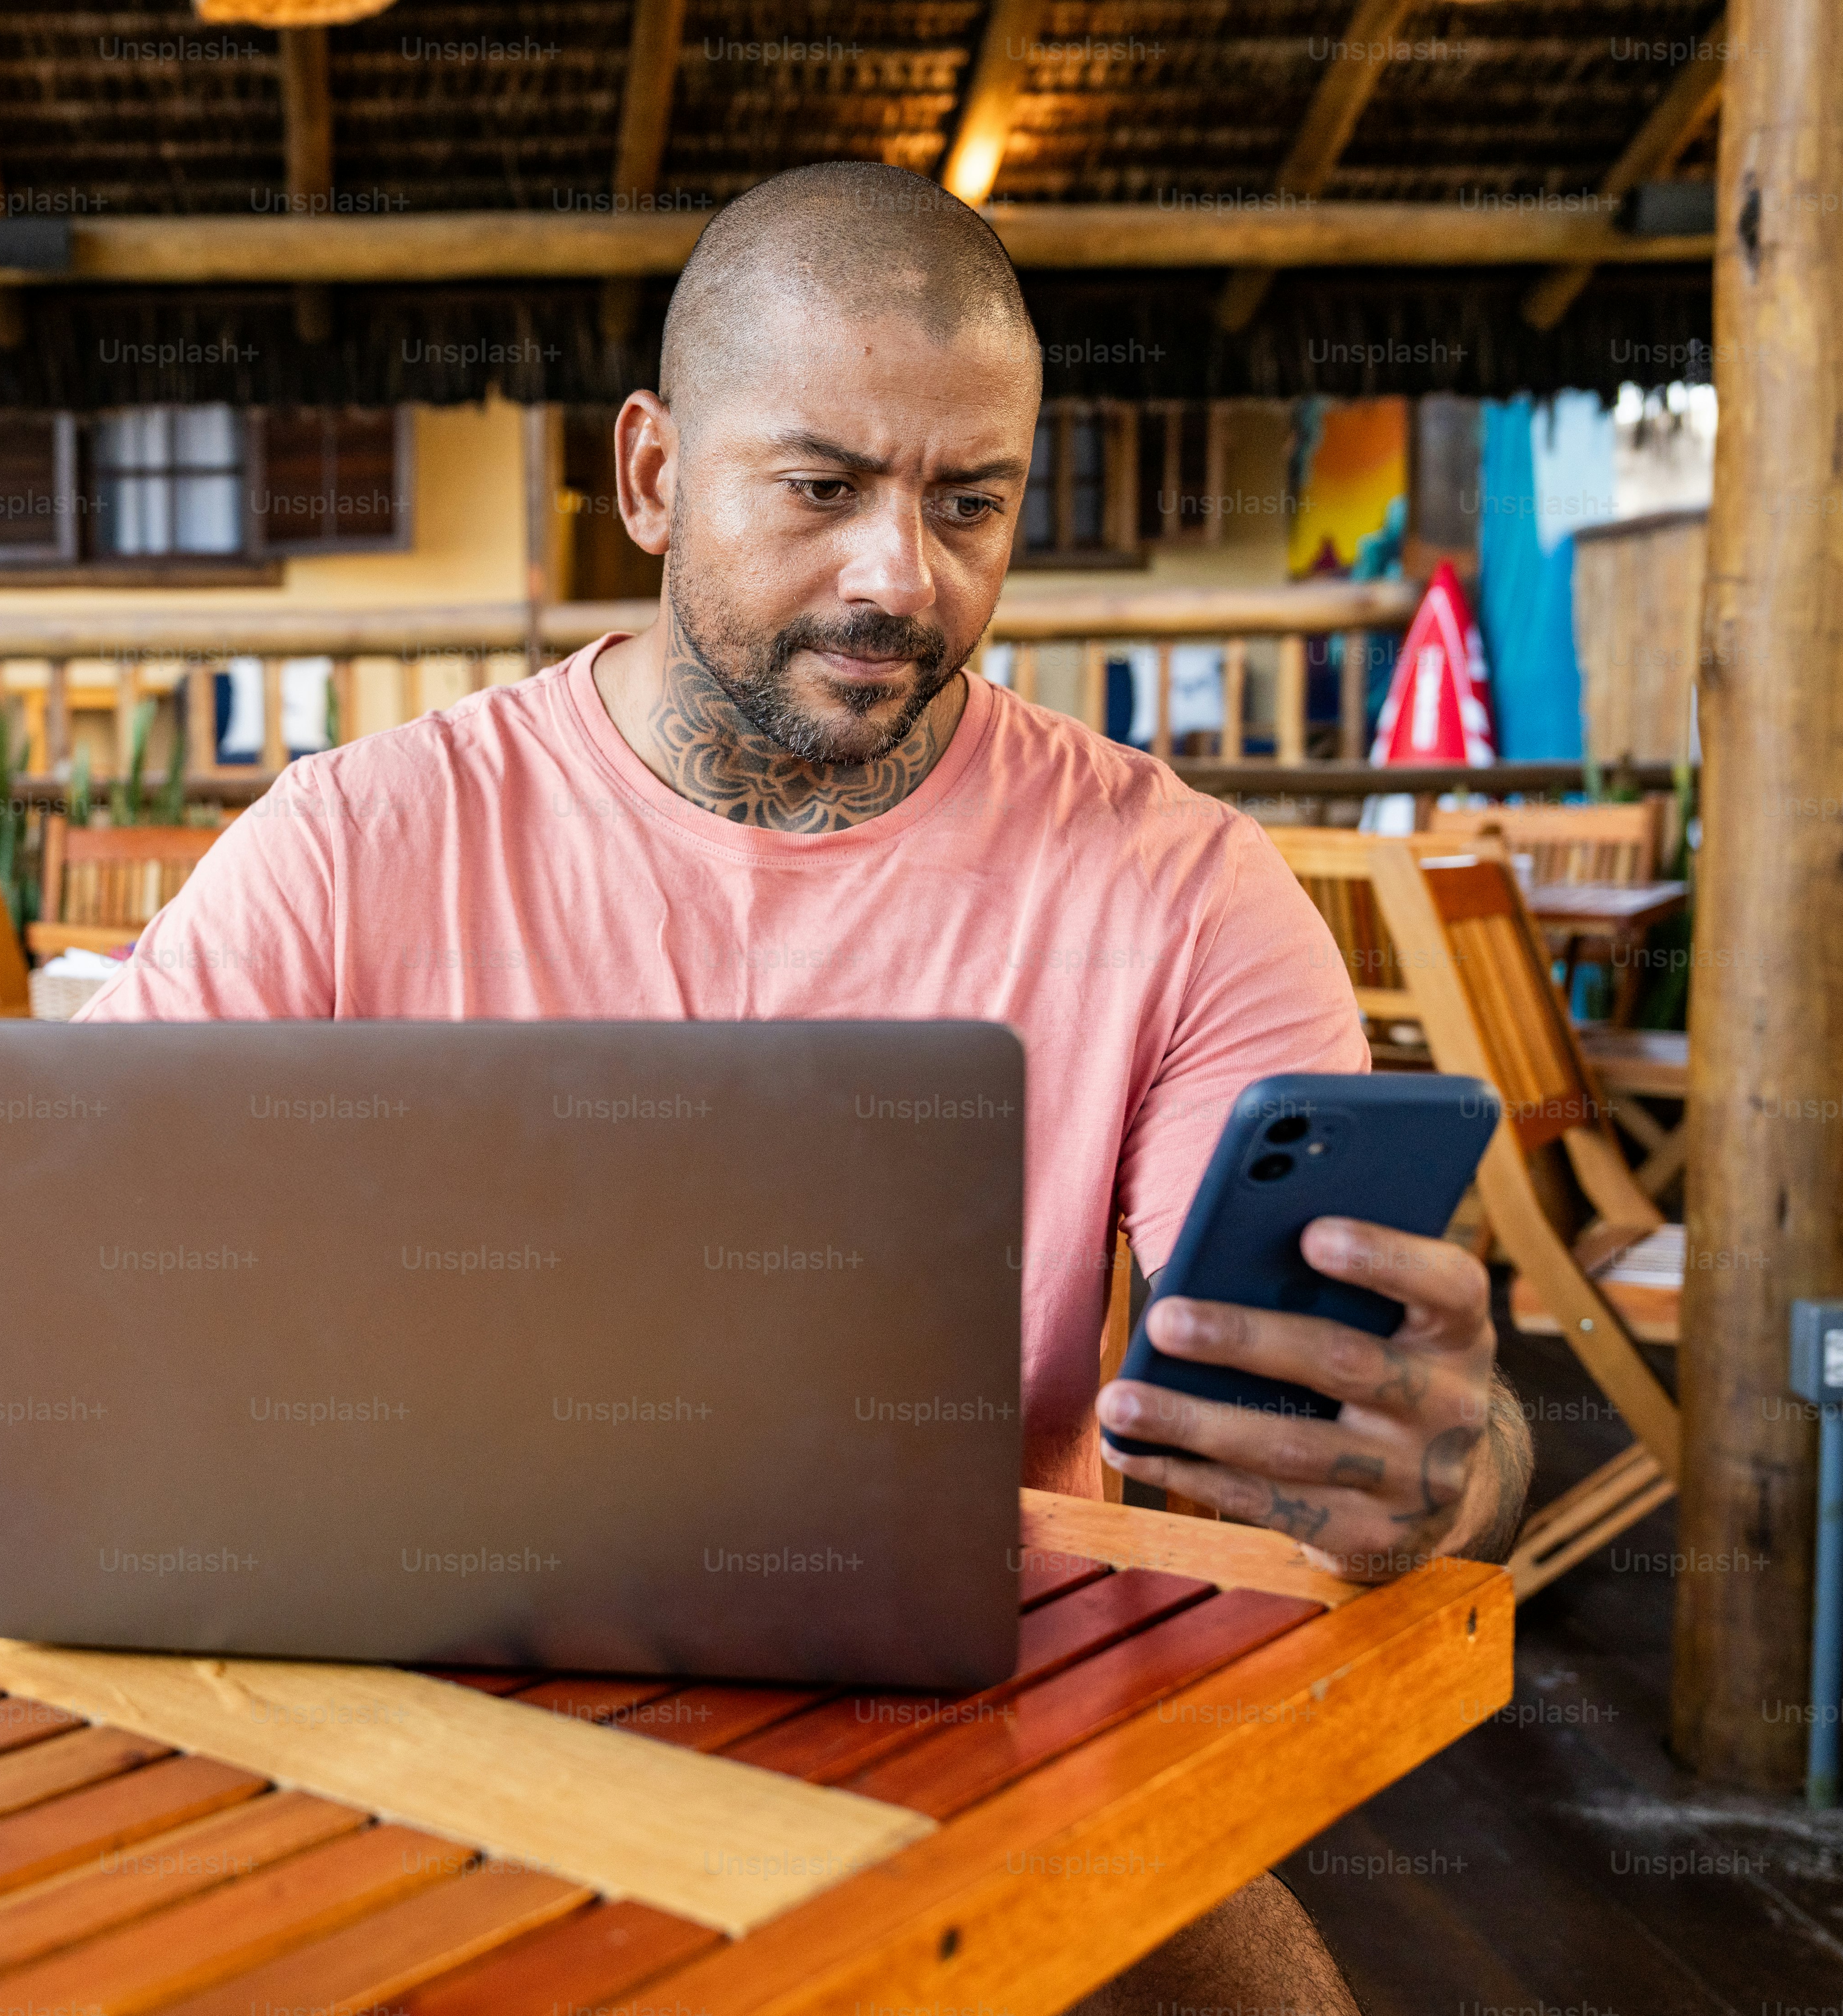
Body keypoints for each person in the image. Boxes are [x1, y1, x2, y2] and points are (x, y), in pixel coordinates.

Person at [76, 159, 1530, 2012]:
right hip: (415, 1717)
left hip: (976, 1744)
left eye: (967, 500)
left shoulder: (1175, 886)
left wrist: (1440, 1469)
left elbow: (1402, 1431)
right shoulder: (356, 842)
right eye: (822, 486)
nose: (895, 576)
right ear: (654, 474)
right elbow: (92, 1288)